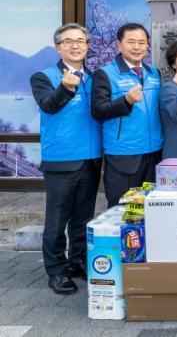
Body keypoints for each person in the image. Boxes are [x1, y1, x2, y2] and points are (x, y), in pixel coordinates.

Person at [30, 23, 102, 295]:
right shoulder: (43, 77)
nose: (75, 46)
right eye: (68, 41)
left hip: (91, 158)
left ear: (87, 46)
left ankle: (78, 261)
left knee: (83, 217)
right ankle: (56, 270)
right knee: (57, 220)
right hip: (61, 160)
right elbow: (48, 105)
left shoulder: (94, 77)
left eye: (80, 41)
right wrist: (65, 87)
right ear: (58, 47)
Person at [91, 23, 163, 208]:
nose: (137, 47)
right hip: (124, 155)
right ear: (119, 44)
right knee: (123, 210)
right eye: (131, 42)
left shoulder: (154, 73)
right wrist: (126, 101)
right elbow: (98, 111)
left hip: (154, 153)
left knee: (152, 210)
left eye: (142, 42)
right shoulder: (105, 74)